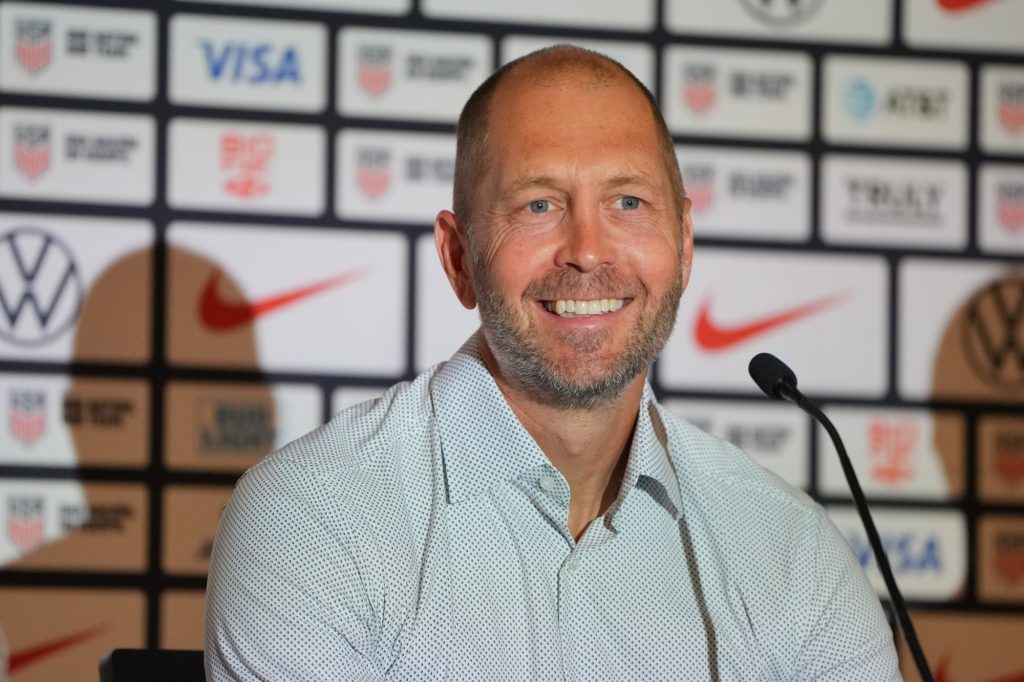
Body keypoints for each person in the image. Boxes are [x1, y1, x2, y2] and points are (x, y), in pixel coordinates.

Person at [204, 45, 901, 681]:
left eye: (628, 202)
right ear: (458, 258)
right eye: (538, 205)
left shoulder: (795, 553)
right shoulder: (314, 519)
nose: (589, 250)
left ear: (684, 244)